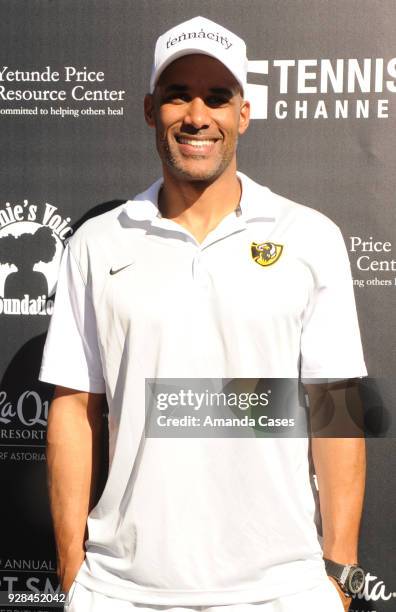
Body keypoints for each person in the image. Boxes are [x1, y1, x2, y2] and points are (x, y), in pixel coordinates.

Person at [40, 16, 367, 612]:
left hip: (283, 590)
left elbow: (336, 402)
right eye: (177, 95)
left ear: (243, 113)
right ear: (149, 110)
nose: (197, 115)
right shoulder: (96, 243)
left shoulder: (310, 236)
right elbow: (72, 404)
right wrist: (71, 567)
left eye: (217, 97)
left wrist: (340, 573)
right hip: (121, 590)